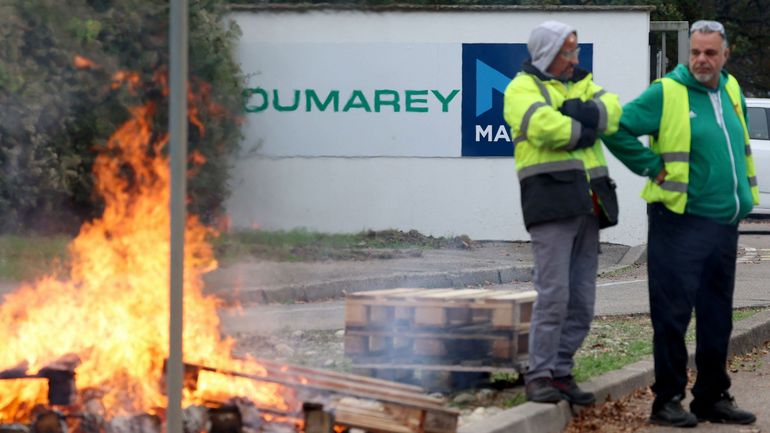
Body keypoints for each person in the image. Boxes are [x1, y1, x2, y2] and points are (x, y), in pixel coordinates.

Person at [602, 20, 758, 427]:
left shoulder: (732, 89)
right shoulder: (666, 92)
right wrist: (650, 166)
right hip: (678, 222)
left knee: (717, 315)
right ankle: (667, 400)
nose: (701, 60)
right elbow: (615, 128)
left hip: (722, 223)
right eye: (695, 52)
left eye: (710, 53)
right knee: (672, 316)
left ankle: (711, 397)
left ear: (725, 55)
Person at [503, 20, 621, 405]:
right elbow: (544, 128)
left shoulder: (582, 83)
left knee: (582, 301)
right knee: (554, 295)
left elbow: (613, 110)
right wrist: (585, 127)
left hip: (589, 204)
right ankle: (539, 375)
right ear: (548, 53)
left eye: (576, 50)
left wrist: (581, 113)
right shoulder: (521, 88)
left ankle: (561, 371)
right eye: (567, 52)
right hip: (550, 202)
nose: (574, 58)